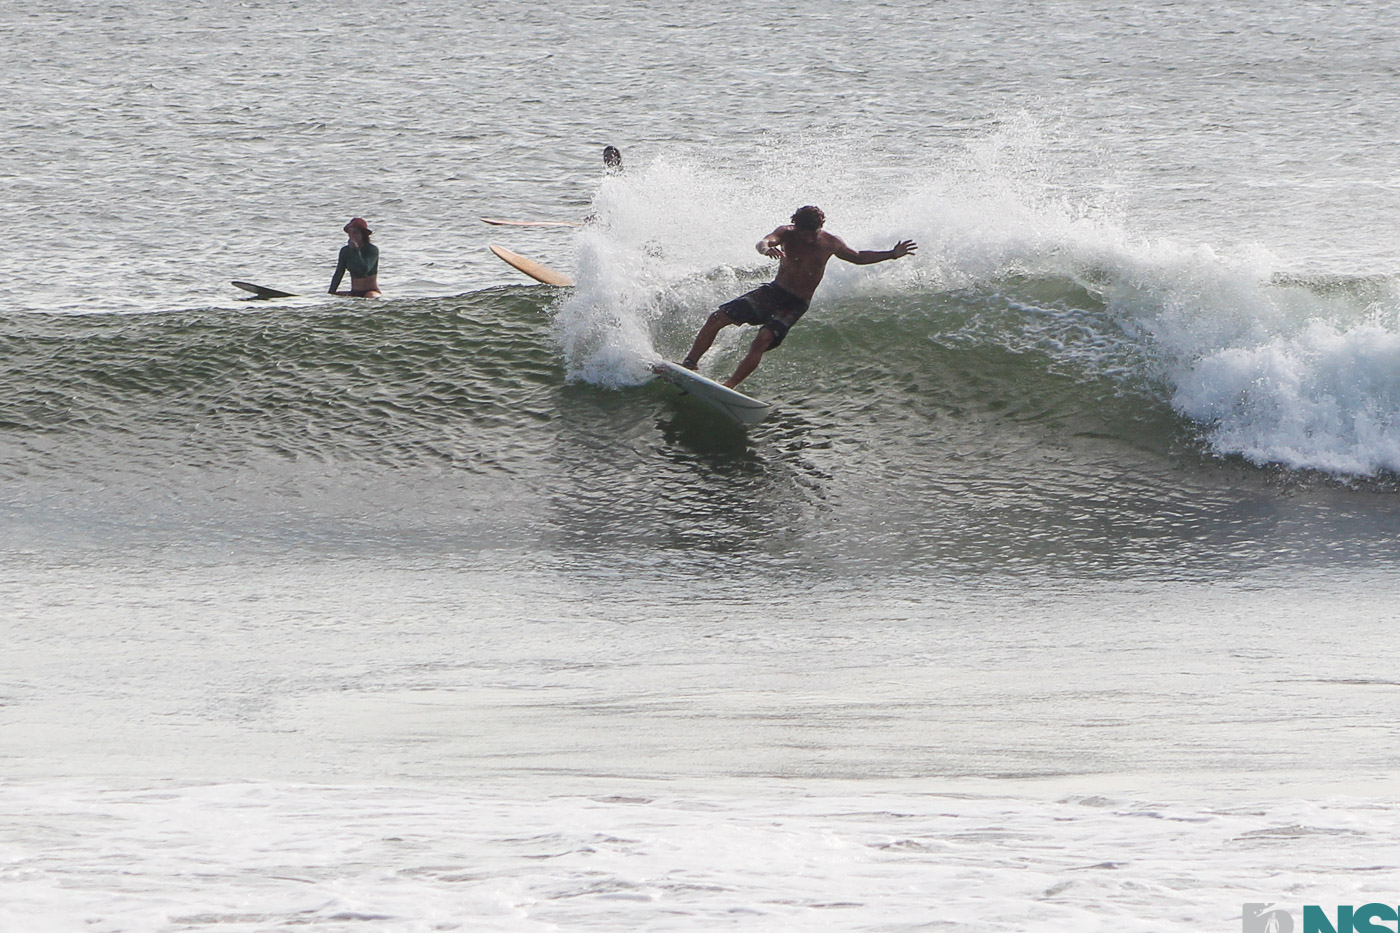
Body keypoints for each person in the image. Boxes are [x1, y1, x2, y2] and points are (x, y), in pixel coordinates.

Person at [680, 205, 916, 387]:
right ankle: (690, 363)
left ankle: (730, 386)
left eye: (814, 233)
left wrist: (891, 254)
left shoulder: (830, 242)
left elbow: (857, 256)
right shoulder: (787, 233)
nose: (810, 239)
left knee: (763, 339)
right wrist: (766, 248)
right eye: (805, 234)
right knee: (717, 318)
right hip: (774, 292)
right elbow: (764, 241)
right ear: (796, 227)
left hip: (796, 303)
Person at [328, 217, 381, 298]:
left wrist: (356, 250)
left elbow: (365, 270)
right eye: (350, 233)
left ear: (363, 234)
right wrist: (331, 292)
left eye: (355, 233)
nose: (352, 236)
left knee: (370, 296)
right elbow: (339, 273)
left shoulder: (372, 250)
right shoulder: (345, 251)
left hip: (371, 291)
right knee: (338, 296)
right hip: (354, 292)